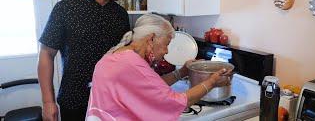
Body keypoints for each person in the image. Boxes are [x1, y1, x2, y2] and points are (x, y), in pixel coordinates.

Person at [37, 0, 130, 121]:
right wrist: (47, 102)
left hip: (111, 102)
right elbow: (46, 54)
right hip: (74, 101)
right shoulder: (65, 9)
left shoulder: (121, 15)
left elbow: (124, 58)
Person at [86, 14, 232, 121]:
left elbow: (151, 87)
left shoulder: (116, 55)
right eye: (166, 44)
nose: (167, 51)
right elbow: (176, 101)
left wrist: (182, 72)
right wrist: (212, 82)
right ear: (151, 39)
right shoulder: (132, 63)